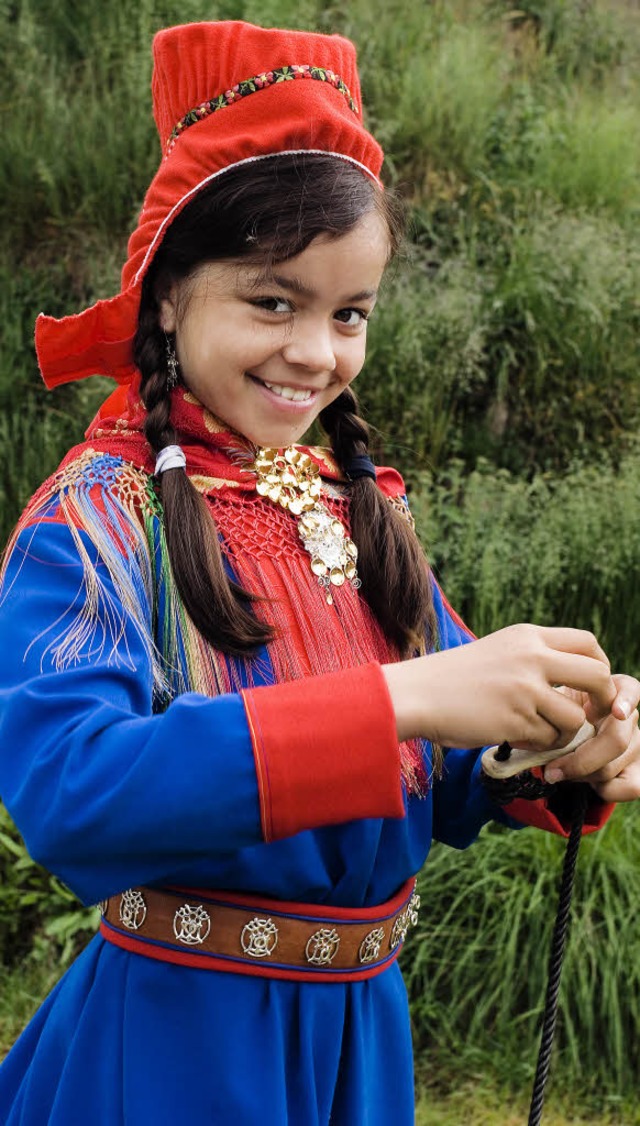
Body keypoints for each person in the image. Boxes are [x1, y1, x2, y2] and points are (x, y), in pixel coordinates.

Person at [0, 20, 638, 1126]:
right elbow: (73, 794)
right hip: (175, 1052)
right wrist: (401, 696)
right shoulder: (95, 520)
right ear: (165, 294)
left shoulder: (357, 502)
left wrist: (539, 749)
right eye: (272, 301)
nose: (316, 353)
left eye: (349, 314)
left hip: (360, 1045)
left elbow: (426, 774)